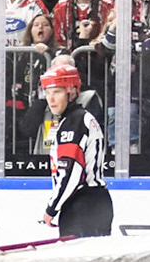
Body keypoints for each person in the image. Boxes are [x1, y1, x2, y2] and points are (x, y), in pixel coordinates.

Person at [37, 61, 112, 237]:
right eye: (48, 93)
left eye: (57, 92)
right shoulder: (83, 118)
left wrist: (52, 208)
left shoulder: (73, 123)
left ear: (72, 92)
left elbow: (71, 173)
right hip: (97, 203)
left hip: (82, 206)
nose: (51, 99)